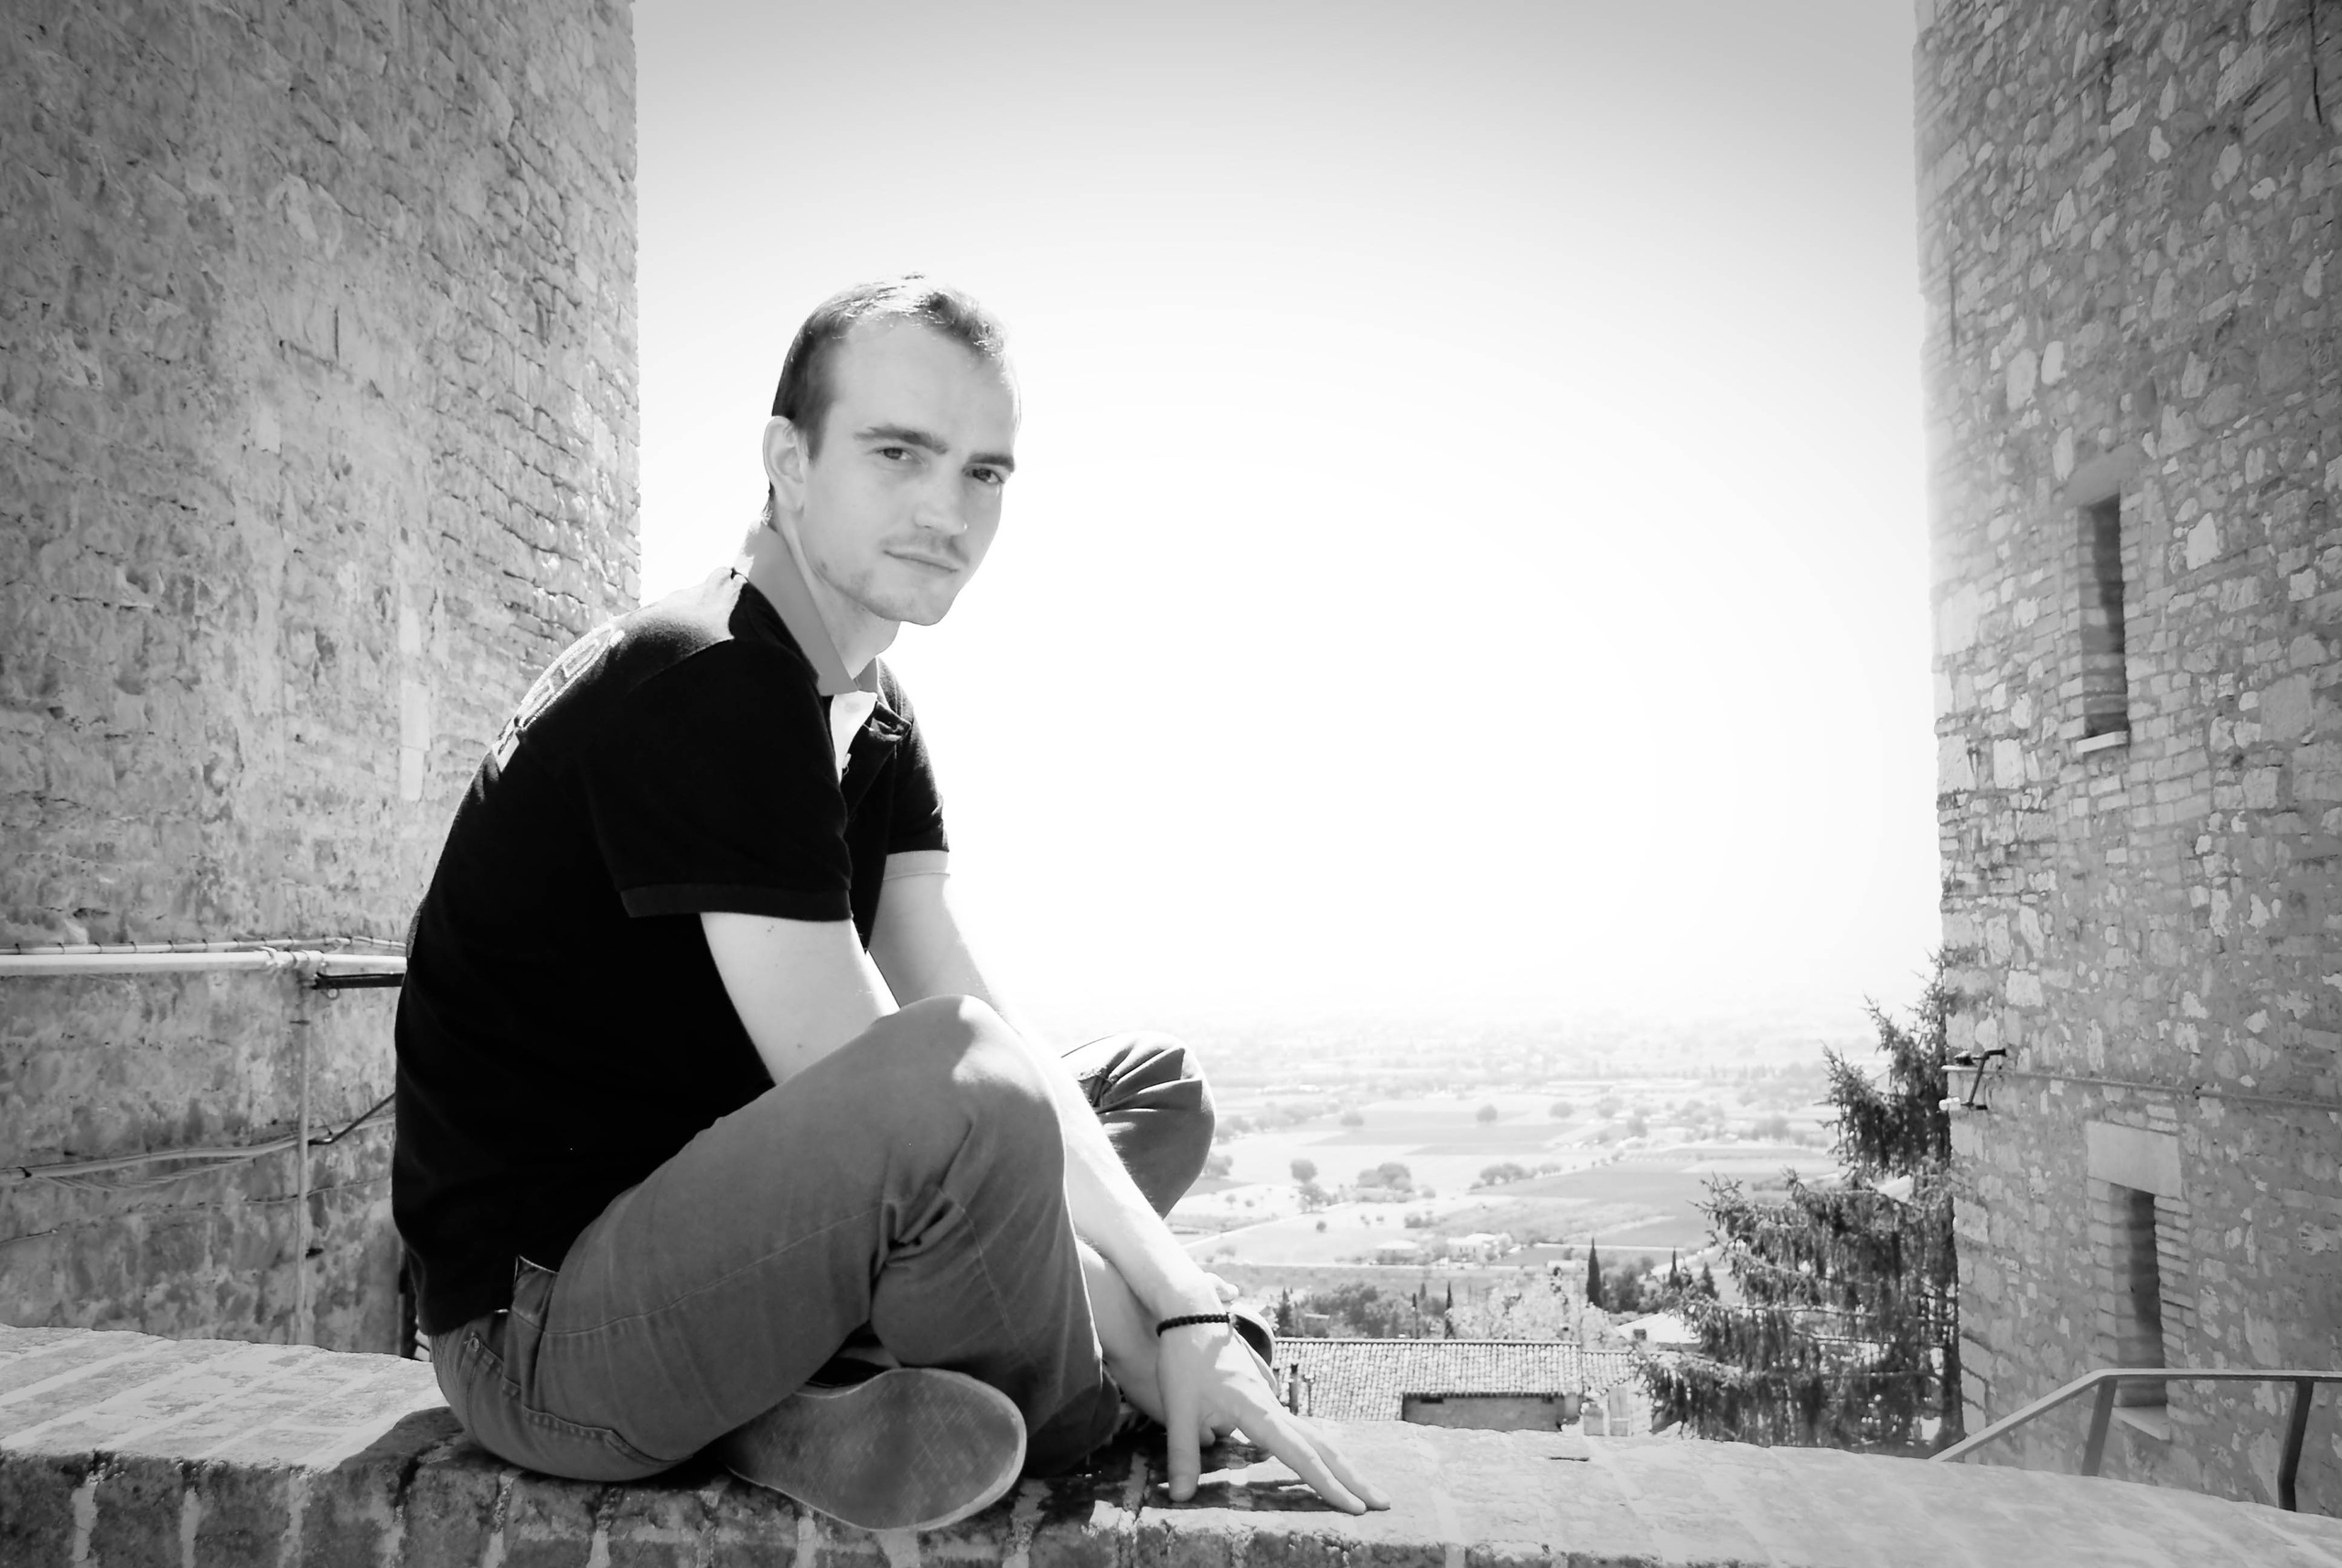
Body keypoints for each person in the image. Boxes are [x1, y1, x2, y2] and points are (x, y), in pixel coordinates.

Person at [392, 276, 1386, 1530]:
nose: (946, 510)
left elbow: (956, 990)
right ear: (789, 461)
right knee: (967, 1095)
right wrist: (1164, 1326)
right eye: (899, 453)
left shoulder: (869, 710)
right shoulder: (712, 679)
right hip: (545, 1332)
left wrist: (1180, 1287)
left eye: (984, 473)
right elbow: (901, 1078)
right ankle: (1087, 1402)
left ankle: (800, 1392)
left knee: (1151, 1088)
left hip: (730, 1236)